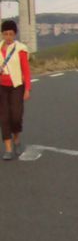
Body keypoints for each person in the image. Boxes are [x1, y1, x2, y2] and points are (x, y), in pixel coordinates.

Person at [0, 19, 31, 161]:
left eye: (11, 34)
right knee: (4, 117)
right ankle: (8, 148)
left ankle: (16, 138)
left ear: (15, 34)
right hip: (2, 87)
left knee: (16, 116)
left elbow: (26, 70)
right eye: (5, 34)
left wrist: (27, 89)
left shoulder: (21, 49)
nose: (8, 37)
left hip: (17, 86)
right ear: (2, 34)